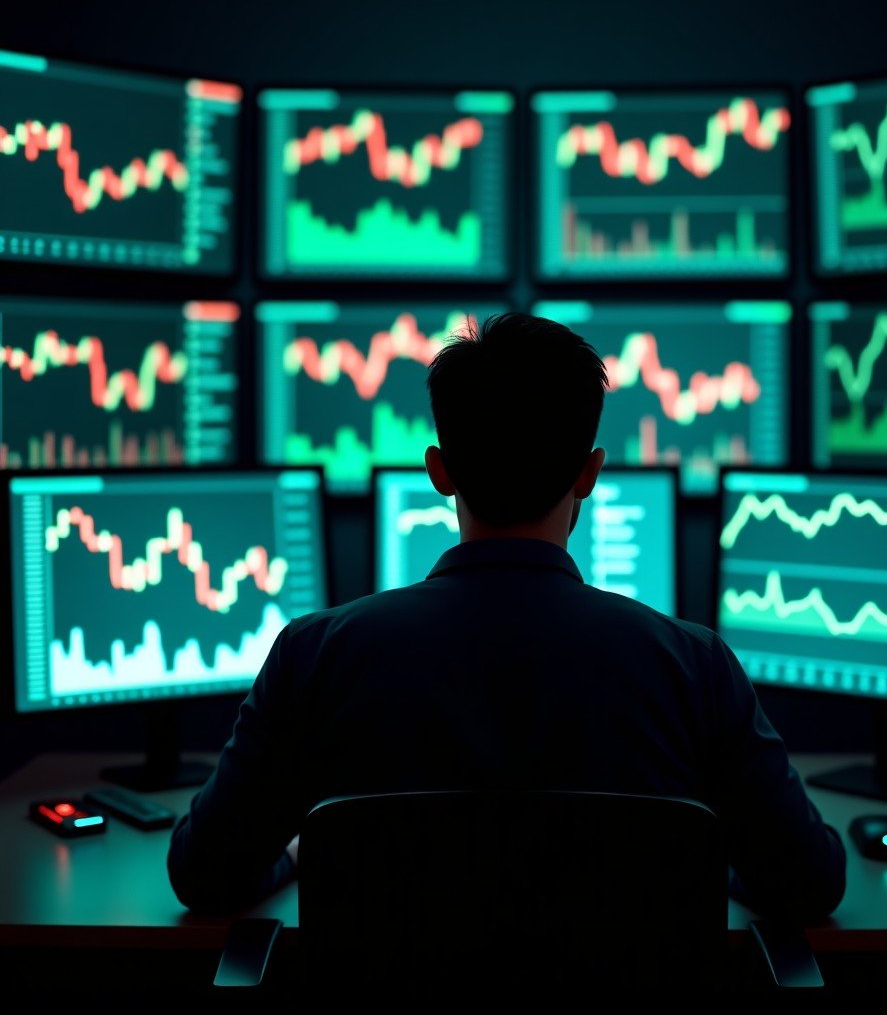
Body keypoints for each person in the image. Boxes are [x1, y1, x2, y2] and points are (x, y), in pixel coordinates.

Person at [168, 312, 845, 921]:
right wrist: (699, 866)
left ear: (438, 472)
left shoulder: (313, 656)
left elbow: (203, 876)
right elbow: (810, 884)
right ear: (590, 474)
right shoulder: (696, 668)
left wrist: (303, 855)